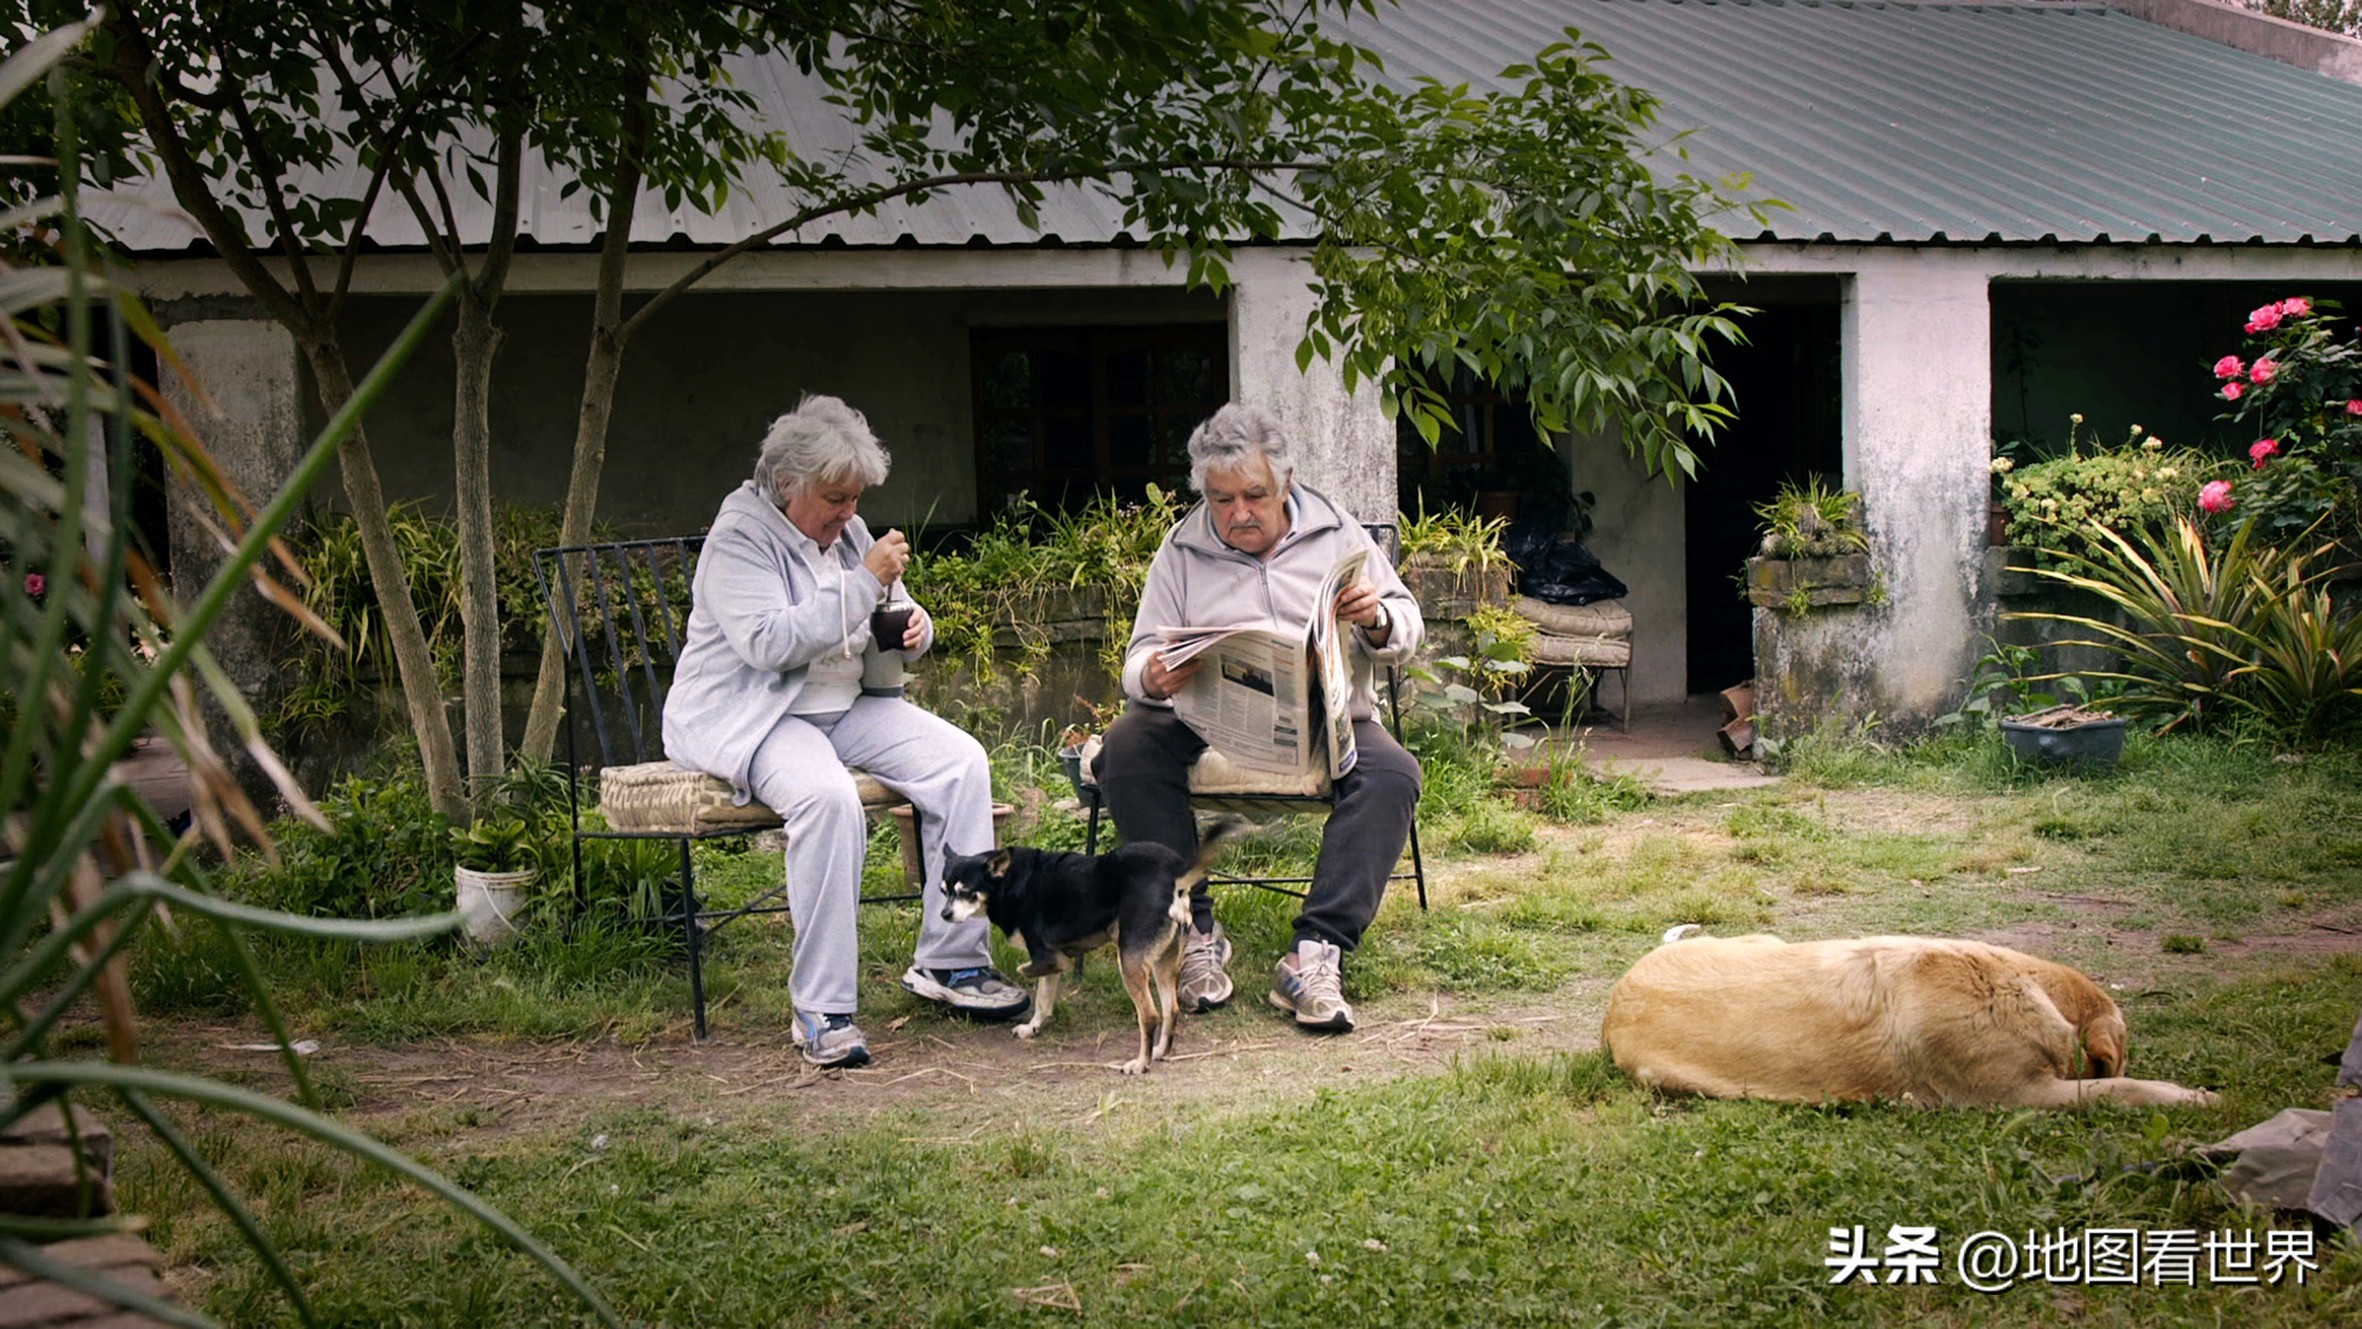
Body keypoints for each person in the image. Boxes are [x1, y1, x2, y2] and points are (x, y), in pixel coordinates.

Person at [663, 395, 1029, 1067]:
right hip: (760, 713)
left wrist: (916, 626)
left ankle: (950, 964)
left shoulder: (848, 533)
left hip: (846, 707)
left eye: (856, 498)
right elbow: (770, 641)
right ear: (786, 485)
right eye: (835, 497)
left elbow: (885, 606)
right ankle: (822, 1008)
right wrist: (864, 586)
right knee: (828, 798)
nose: (848, 513)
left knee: (962, 762)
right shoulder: (738, 538)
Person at [1094, 403, 1424, 1034]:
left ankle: (1314, 953)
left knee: (1393, 773)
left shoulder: (1337, 534)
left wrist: (1377, 618)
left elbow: (1407, 628)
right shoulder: (1182, 549)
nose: (1238, 513)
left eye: (1254, 495)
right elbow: (1138, 659)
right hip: (1207, 719)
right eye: (1221, 500)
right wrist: (1153, 676)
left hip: (1328, 719)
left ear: (1287, 483)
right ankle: (1191, 934)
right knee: (1127, 744)